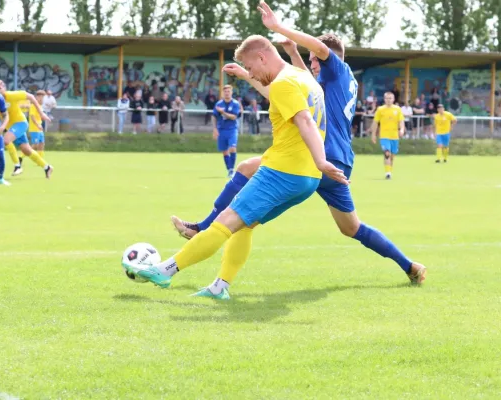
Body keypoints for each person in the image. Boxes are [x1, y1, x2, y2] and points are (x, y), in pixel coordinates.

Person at [171, 1, 425, 293]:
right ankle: (410, 266)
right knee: (351, 228)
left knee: (245, 175)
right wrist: (268, 64)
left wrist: (277, 28)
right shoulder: (333, 82)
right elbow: (292, 84)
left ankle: (203, 230)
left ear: (329, 58)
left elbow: (314, 57)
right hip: (336, 161)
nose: (312, 64)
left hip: (319, 157)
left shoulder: (337, 69)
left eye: (316, 60)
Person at [123, 34, 347, 299]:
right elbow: (283, 97)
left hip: (282, 171)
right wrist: (245, 75)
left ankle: (165, 270)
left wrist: (322, 160)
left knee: (224, 222)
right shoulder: (302, 77)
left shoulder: (284, 83)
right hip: (306, 178)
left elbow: (304, 121)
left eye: (252, 67)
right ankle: (220, 287)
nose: (252, 73)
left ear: (262, 57)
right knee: (246, 225)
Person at [0, 80, 53, 178]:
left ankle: (17, 166)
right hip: (11, 128)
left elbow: (31, 97)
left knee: (6, 140)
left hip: (20, 123)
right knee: (27, 150)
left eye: (0, 88)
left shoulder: (12, 95)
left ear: (4, 88)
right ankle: (47, 167)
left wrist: (42, 113)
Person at [371, 92, 404, 179]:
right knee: (387, 153)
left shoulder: (397, 109)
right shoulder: (380, 109)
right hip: (384, 136)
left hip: (394, 136)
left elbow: (401, 121)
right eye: (387, 98)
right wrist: (373, 134)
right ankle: (388, 173)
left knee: (392, 156)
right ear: (384, 99)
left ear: (393, 99)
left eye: (390, 98)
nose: (388, 100)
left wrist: (402, 129)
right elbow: (375, 122)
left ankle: (389, 170)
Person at [213, 85, 241, 178]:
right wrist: (214, 128)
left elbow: (234, 117)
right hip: (221, 129)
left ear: (231, 92)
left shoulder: (235, 104)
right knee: (224, 151)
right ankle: (229, 170)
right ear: (223, 93)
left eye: (228, 91)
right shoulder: (219, 104)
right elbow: (214, 116)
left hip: (232, 129)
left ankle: (232, 169)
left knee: (232, 147)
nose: (227, 93)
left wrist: (223, 112)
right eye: (225, 91)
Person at [29, 90, 47, 158]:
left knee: (42, 143)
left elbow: (40, 116)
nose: (42, 99)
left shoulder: (40, 106)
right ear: (37, 97)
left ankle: (40, 159)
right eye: (41, 97)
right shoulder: (33, 105)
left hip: (39, 128)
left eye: (43, 97)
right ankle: (21, 157)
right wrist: (38, 125)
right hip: (34, 128)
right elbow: (32, 117)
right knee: (35, 145)